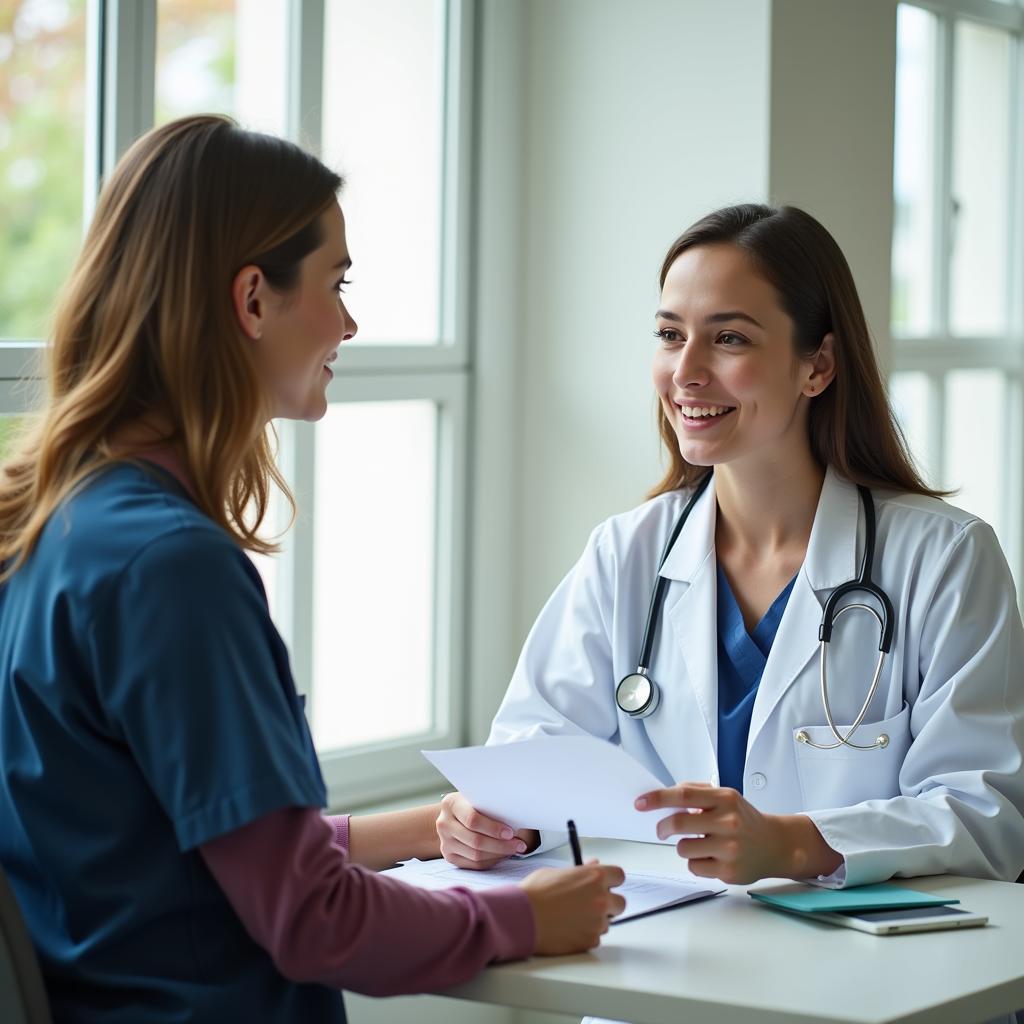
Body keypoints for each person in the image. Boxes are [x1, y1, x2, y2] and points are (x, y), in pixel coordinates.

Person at [0, 114, 625, 1024]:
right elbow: (309, 918)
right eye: (336, 282)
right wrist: (521, 918)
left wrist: (424, 829)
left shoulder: (49, 523)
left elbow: (173, 851)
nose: (349, 320)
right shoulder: (171, 569)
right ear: (252, 300)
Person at [435, 203, 1024, 892]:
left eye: (730, 340)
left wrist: (797, 844)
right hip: (660, 972)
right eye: (668, 334)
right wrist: (494, 820)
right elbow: (530, 759)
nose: (685, 372)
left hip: (862, 982)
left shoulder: (945, 559)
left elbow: (990, 812)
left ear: (819, 366)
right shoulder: (627, 554)